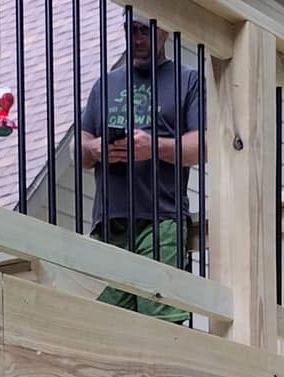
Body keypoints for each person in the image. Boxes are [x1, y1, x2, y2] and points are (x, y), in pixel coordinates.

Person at [77, 14, 205, 324]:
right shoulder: (105, 85)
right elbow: (79, 149)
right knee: (106, 324)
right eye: (130, 30)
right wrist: (95, 149)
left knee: (160, 324)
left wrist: (154, 146)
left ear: (164, 30)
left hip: (161, 220)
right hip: (109, 224)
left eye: (143, 31)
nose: (136, 38)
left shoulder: (187, 80)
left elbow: (201, 146)